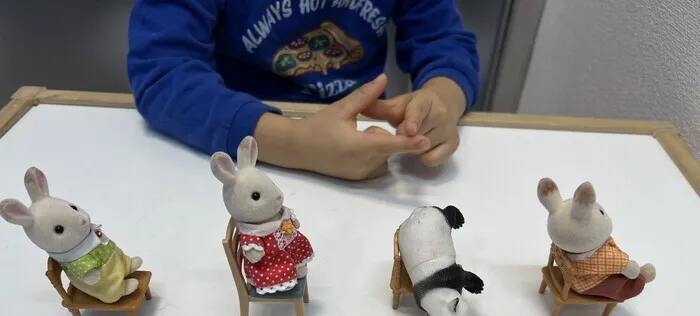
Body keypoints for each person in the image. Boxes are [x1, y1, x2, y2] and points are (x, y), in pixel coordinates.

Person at [126, 0, 480, 180]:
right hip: (239, 148)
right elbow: (162, 72)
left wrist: (443, 99)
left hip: (367, 147)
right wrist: (296, 144)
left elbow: (444, 41)